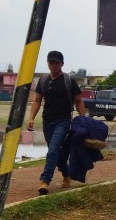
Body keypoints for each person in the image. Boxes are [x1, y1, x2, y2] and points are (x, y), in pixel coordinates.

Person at [27, 50, 86, 195]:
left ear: (62, 64)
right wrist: (31, 118)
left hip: (63, 120)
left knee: (52, 150)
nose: (53, 66)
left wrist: (83, 120)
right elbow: (37, 101)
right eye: (50, 62)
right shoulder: (43, 80)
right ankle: (66, 174)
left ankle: (45, 180)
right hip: (47, 121)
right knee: (56, 153)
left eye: (56, 63)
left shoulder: (68, 80)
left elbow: (79, 101)